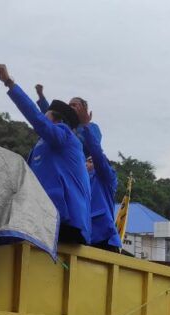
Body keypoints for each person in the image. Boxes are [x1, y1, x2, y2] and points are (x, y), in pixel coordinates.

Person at [0, 64, 92, 245]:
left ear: (56, 119)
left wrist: (9, 83)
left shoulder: (65, 134)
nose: (42, 116)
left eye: (46, 114)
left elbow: (38, 120)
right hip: (45, 215)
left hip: (65, 220)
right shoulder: (42, 145)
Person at [35, 85, 121, 251]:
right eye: (69, 105)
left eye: (74, 105)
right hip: (71, 171)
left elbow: (96, 149)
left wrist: (86, 124)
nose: (70, 107)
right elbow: (49, 118)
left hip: (100, 233)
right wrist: (41, 97)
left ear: (84, 109)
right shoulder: (64, 127)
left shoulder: (90, 128)